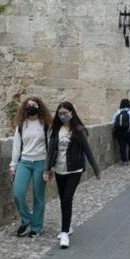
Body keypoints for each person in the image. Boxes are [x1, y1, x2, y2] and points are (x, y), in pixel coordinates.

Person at [44, 102, 100, 249]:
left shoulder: (78, 130)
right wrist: (47, 169)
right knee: (63, 200)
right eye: (60, 113)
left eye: (65, 113)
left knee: (67, 198)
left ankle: (64, 233)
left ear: (71, 113)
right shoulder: (56, 130)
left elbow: (87, 150)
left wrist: (96, 169)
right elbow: (51, 151)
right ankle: (67, 226)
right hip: (59, 170)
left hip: (74, 170)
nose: (62, 116)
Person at [9, 96, 52, 238]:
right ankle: (27, 219)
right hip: (24, 162)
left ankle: (37, 226)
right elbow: (16, 146)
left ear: (39, 107)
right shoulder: (22, 125)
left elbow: (51, 146)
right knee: (18, 192)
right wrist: (13, 166)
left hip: (41, 162)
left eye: (34, 105)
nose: (31, 107)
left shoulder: (45, 124)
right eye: (28, 105)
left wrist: (49, 167)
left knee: (38, 196)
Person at [112, 98, 130, 165]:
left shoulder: (117, 112)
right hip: (128, 131)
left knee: (122, 146)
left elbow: (113, 121)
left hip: (119, 132)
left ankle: (124, 161)